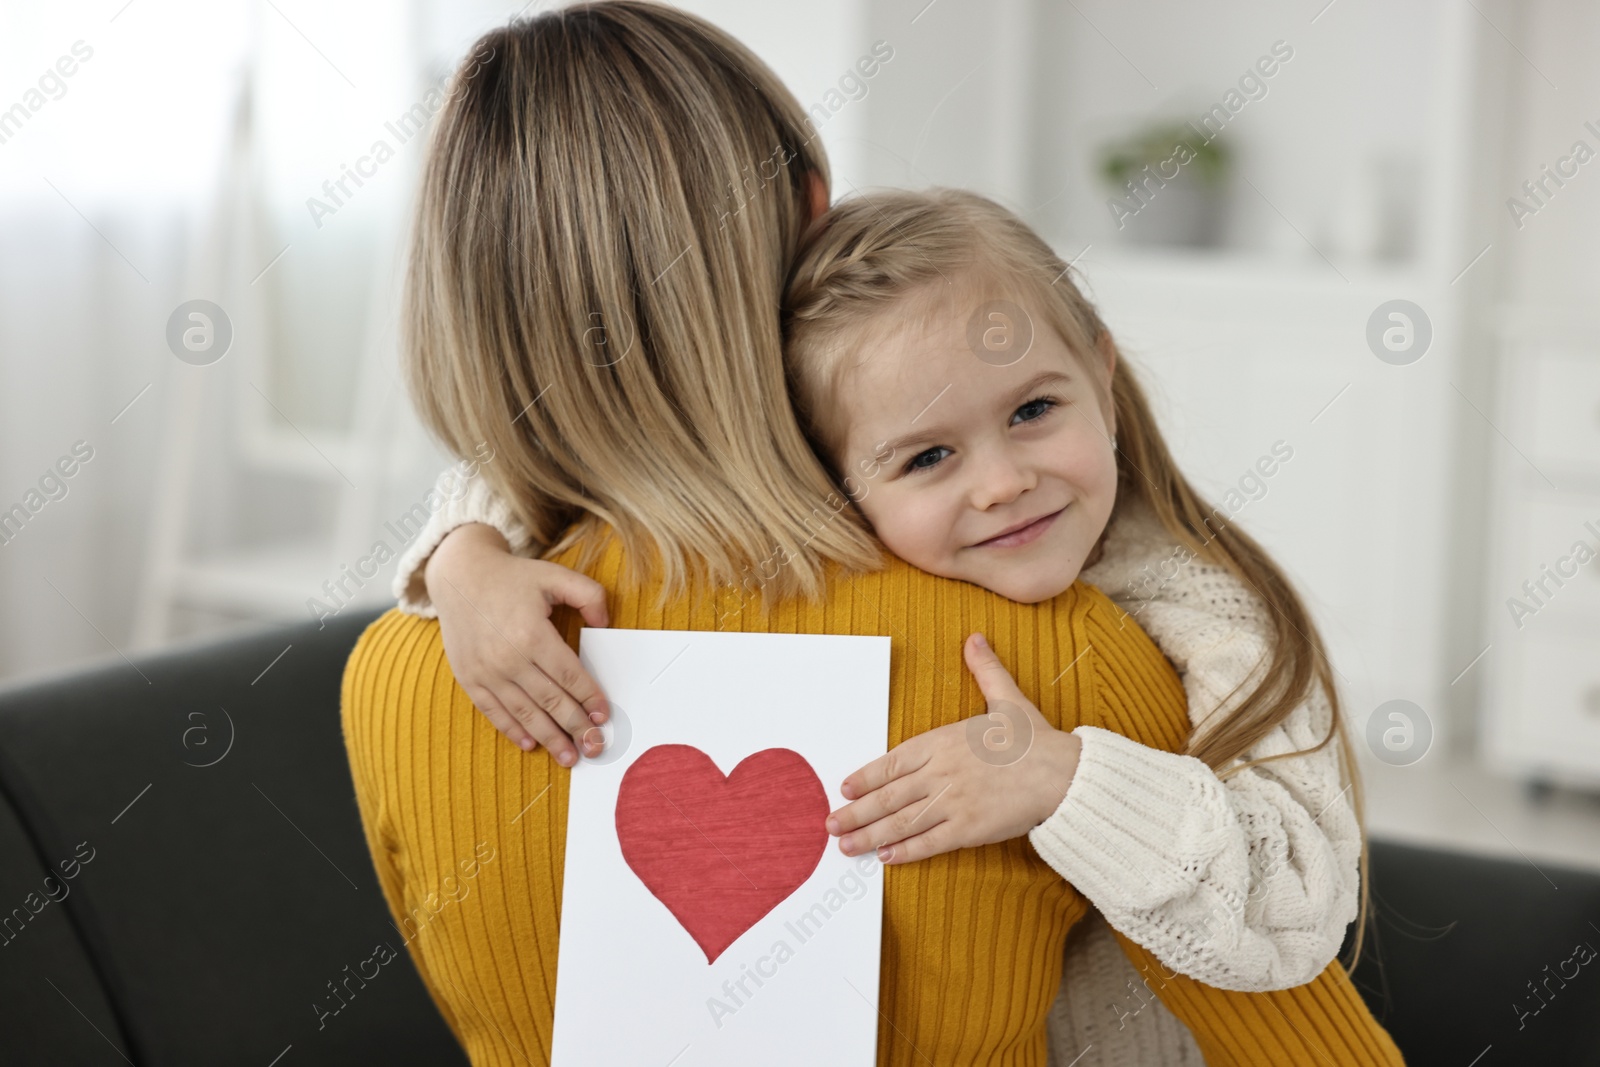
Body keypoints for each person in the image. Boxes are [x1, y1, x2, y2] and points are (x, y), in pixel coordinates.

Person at [344, 4, 1403, 1064]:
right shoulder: (1051, 665)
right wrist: (465, 547)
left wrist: (464, 559)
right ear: (808, 209)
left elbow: (1293, 898)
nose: (1001, 484)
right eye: (928, 456)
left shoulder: (392, 673)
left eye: (1034, 410)